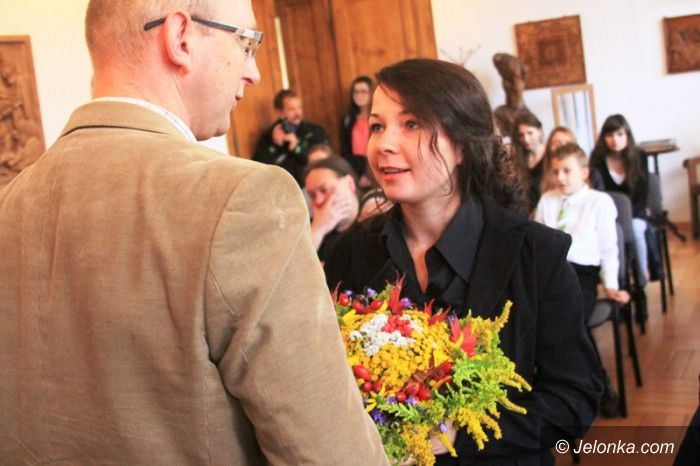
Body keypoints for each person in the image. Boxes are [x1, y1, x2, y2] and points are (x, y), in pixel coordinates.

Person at [0, 1, 388, 464]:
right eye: (247, 44)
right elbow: (328, 452)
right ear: (180, 37)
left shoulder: (10, 203)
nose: (254, 73)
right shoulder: (243, 198)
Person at [324, 58, 602, 466]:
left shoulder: (535, 255)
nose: (384, 144)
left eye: (412, 124)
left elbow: (574, 400)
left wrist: (460, 434)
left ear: (462, 146)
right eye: (378, 126)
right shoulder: (353, 251)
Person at [533, 142, 630, 418]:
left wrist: (610, 285)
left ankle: (598, 388)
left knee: (567, 321)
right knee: (536, 321)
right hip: (549, 274)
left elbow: (608, 247)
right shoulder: (547, 200)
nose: (560, 177)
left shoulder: (599, 201)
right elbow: (537, 242)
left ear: (584, 173)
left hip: (582, 274)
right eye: (555, 172)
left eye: (567, 171)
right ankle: (563, 389)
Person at [589, 114, 650, 285]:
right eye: (609, 135)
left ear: (627, 135)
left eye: (620, 134)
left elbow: (642, 196)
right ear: (603, 137)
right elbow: (596, 194)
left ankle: (641, 280)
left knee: (635, 230)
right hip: (607, 217)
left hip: (635, 214)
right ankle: (614, 283)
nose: (615, 140)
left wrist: (627, 220)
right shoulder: (597, 159)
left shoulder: (639, 157)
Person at [253, 89, 330, 187]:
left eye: (299, 107)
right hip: (282, 188)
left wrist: (296, 147)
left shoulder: (315, 130)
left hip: (311, 185)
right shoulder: (270, 135)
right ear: (279, 112)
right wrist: (276, 145)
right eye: (291, 109)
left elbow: (322, 160)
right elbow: (259, 167)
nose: (298, 113)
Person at [304, 156, 360, 263]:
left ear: (350, 183)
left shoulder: (373, 212)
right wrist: (318, 230)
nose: (318, 201)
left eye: (325, 190)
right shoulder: (311, 229)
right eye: (312, 195)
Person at [492, 53, 531, 143]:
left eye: (512, 79)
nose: (507, 85)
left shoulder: (529, 117)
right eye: (505, 79)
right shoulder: (499, 114)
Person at [340, 75, 373, 181]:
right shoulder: (348, 118)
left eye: (363, 91)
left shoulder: (377, 116)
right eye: (356, 92)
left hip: (374, 166)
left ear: (371, 93)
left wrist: (368, 173)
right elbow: (345, 150)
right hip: (355, 169)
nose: (359, 95)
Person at [513, 112, 546, 212]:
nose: (526, 139)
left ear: (539, 131)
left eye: (530, 133)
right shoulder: (517, 160)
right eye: (521, 135)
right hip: (527, 212)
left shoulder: (550, 156)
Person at [541, 126, 577, 193]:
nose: (563, 146)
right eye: (558, 143)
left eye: (567, 142)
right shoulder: (542, 171)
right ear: (549, 147)